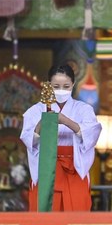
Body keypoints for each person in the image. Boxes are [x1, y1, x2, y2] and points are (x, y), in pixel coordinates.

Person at [20, 64, 102, 211]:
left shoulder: (84, 109)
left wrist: (65, 120)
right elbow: (28, 139)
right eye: (56, 86)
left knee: (76, 211)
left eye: (66, 86)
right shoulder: (36, 110)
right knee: (46, 213)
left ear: (73, 84)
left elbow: (91, 134)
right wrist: (43, 122)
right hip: (46, 167)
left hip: (74, 167)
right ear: (48, 84)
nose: (61, 90)